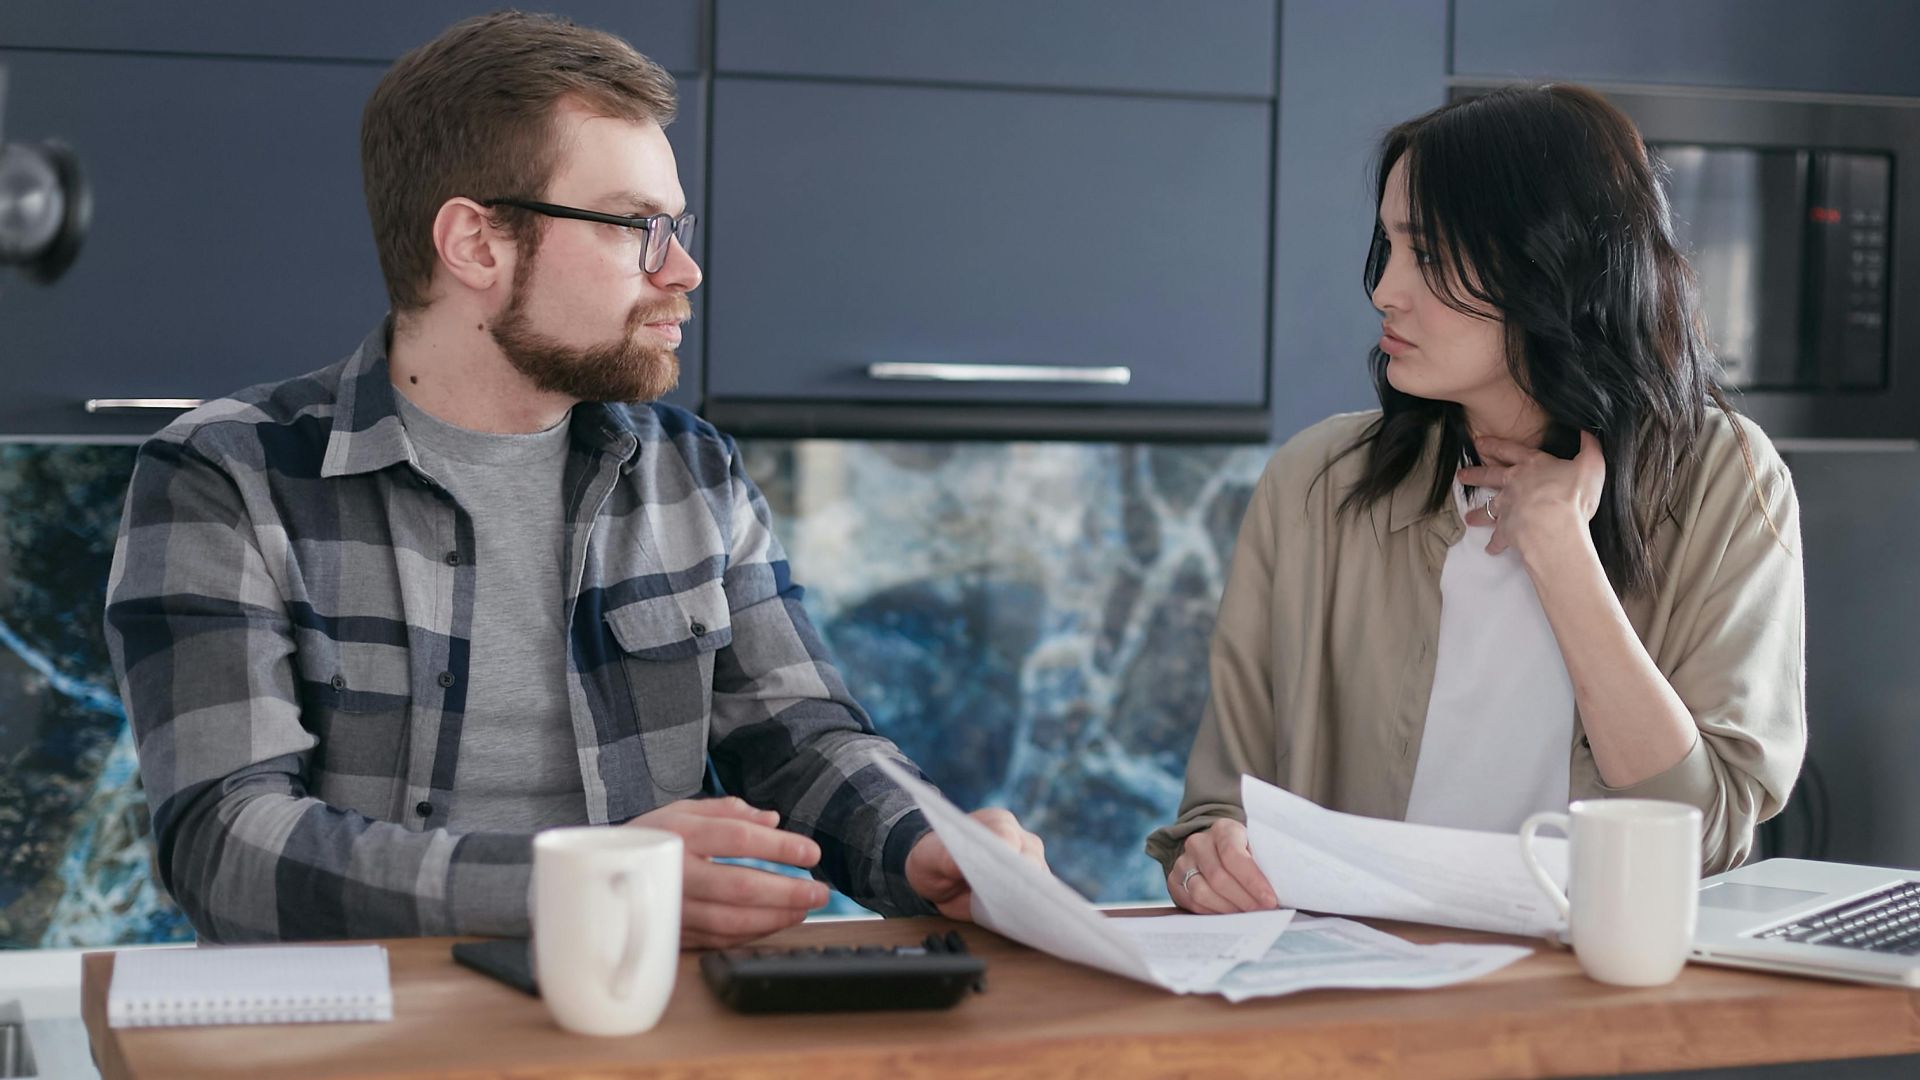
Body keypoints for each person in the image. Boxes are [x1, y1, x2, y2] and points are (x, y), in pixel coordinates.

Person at [104, 11, 1043, 946]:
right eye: (636, 225)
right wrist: (581, 883)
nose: (685, 269)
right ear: (477, 244)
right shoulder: (224, 476)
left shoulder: (690, 471)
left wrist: (931, 846)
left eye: (676, 226)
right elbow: (226, 845)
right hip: (367, 1033)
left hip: (642, 1021)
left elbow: (803, 741)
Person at [1146, 84, 1806, 914]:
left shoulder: (1726, 480)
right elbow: (1217, 813)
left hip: (1595, 1002)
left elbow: (1702, 829)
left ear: (1548, 263)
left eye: (1427, 253)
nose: (1386, 289)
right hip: (1353, 999)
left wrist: (1561, 550)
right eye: (1386, 248)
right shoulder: (1315, 485)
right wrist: (1212, 858)